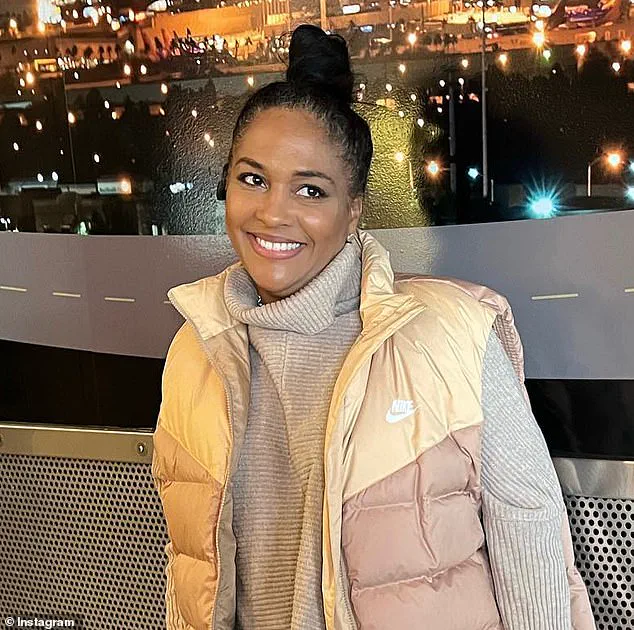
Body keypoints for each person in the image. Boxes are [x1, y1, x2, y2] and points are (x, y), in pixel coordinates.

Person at [152, 24, 596, 630]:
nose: (273, 212)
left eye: (311, 190)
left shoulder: (451, 335)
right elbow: (193, 568)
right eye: (252, 179)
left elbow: (529, 529)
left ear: (354, 209)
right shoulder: (195, 349)